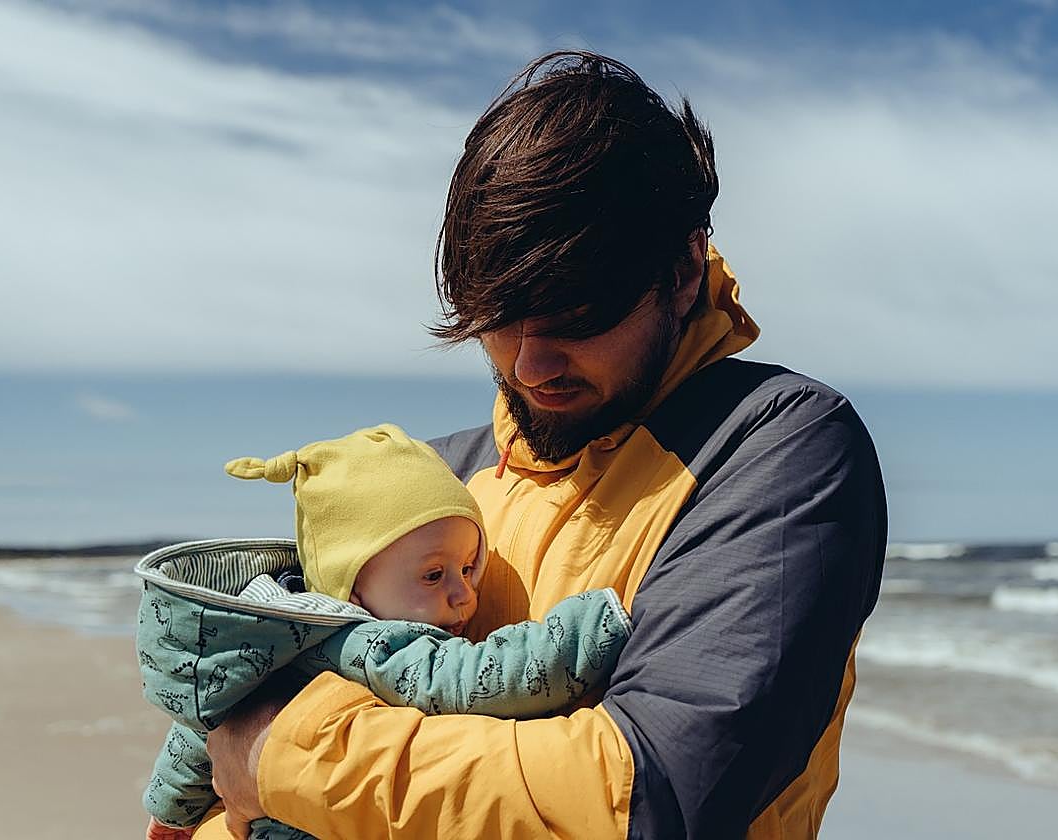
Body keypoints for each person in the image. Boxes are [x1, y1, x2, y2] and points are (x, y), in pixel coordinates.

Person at [197, 51, 887, 839]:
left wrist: (288, 760)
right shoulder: (437, 483)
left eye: (575, 316)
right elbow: (244, 732)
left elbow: (649, 794)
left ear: (685, 269)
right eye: (495, 319)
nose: (529, 367)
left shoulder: (776, 448)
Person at [136, 424, 631, 840]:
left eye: (469, 566)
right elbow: (476, 679)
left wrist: (169, 812)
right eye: (434, 576)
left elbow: (196, 732)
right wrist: (589, 628)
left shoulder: (269, 635)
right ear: (352, 589)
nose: (464, 595)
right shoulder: (372, 644)